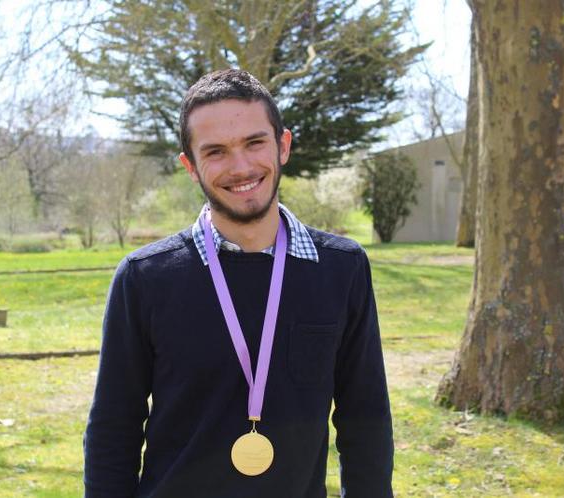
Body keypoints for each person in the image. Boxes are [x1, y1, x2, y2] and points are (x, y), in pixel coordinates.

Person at [83, 69, 393, 498]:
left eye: (254, 142)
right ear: (190, 166)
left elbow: (366, 418)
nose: (241, 166)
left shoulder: (341, 269)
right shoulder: (145, 279)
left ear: (283, 145)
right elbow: (113, 429)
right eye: (216, 152)